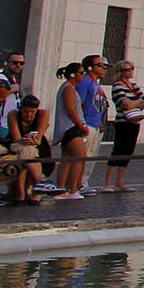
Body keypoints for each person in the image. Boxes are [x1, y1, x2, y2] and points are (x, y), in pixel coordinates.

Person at [53, 58, 102, 200]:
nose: (83, 75)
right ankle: (72, 189)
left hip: (70, 127)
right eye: (81, 73)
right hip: (70, 128)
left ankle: (62, 189)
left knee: (67, 159)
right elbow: (70, 110)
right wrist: (81, 126)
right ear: (73, 74)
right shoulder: (68, 88)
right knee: (80, 158)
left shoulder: (70, 87)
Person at [102, 61, 144, 192]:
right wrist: (138, 103)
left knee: (128, 151)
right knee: (118, 150)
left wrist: (134, 103)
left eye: (131, 69)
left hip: (135, 122)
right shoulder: (117, 86)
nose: (130, 71)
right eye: (127, 69)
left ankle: (119, 182)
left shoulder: (134, 86)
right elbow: (125, 104)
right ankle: (107, 183)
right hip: (123, 122)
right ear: (120, 72)